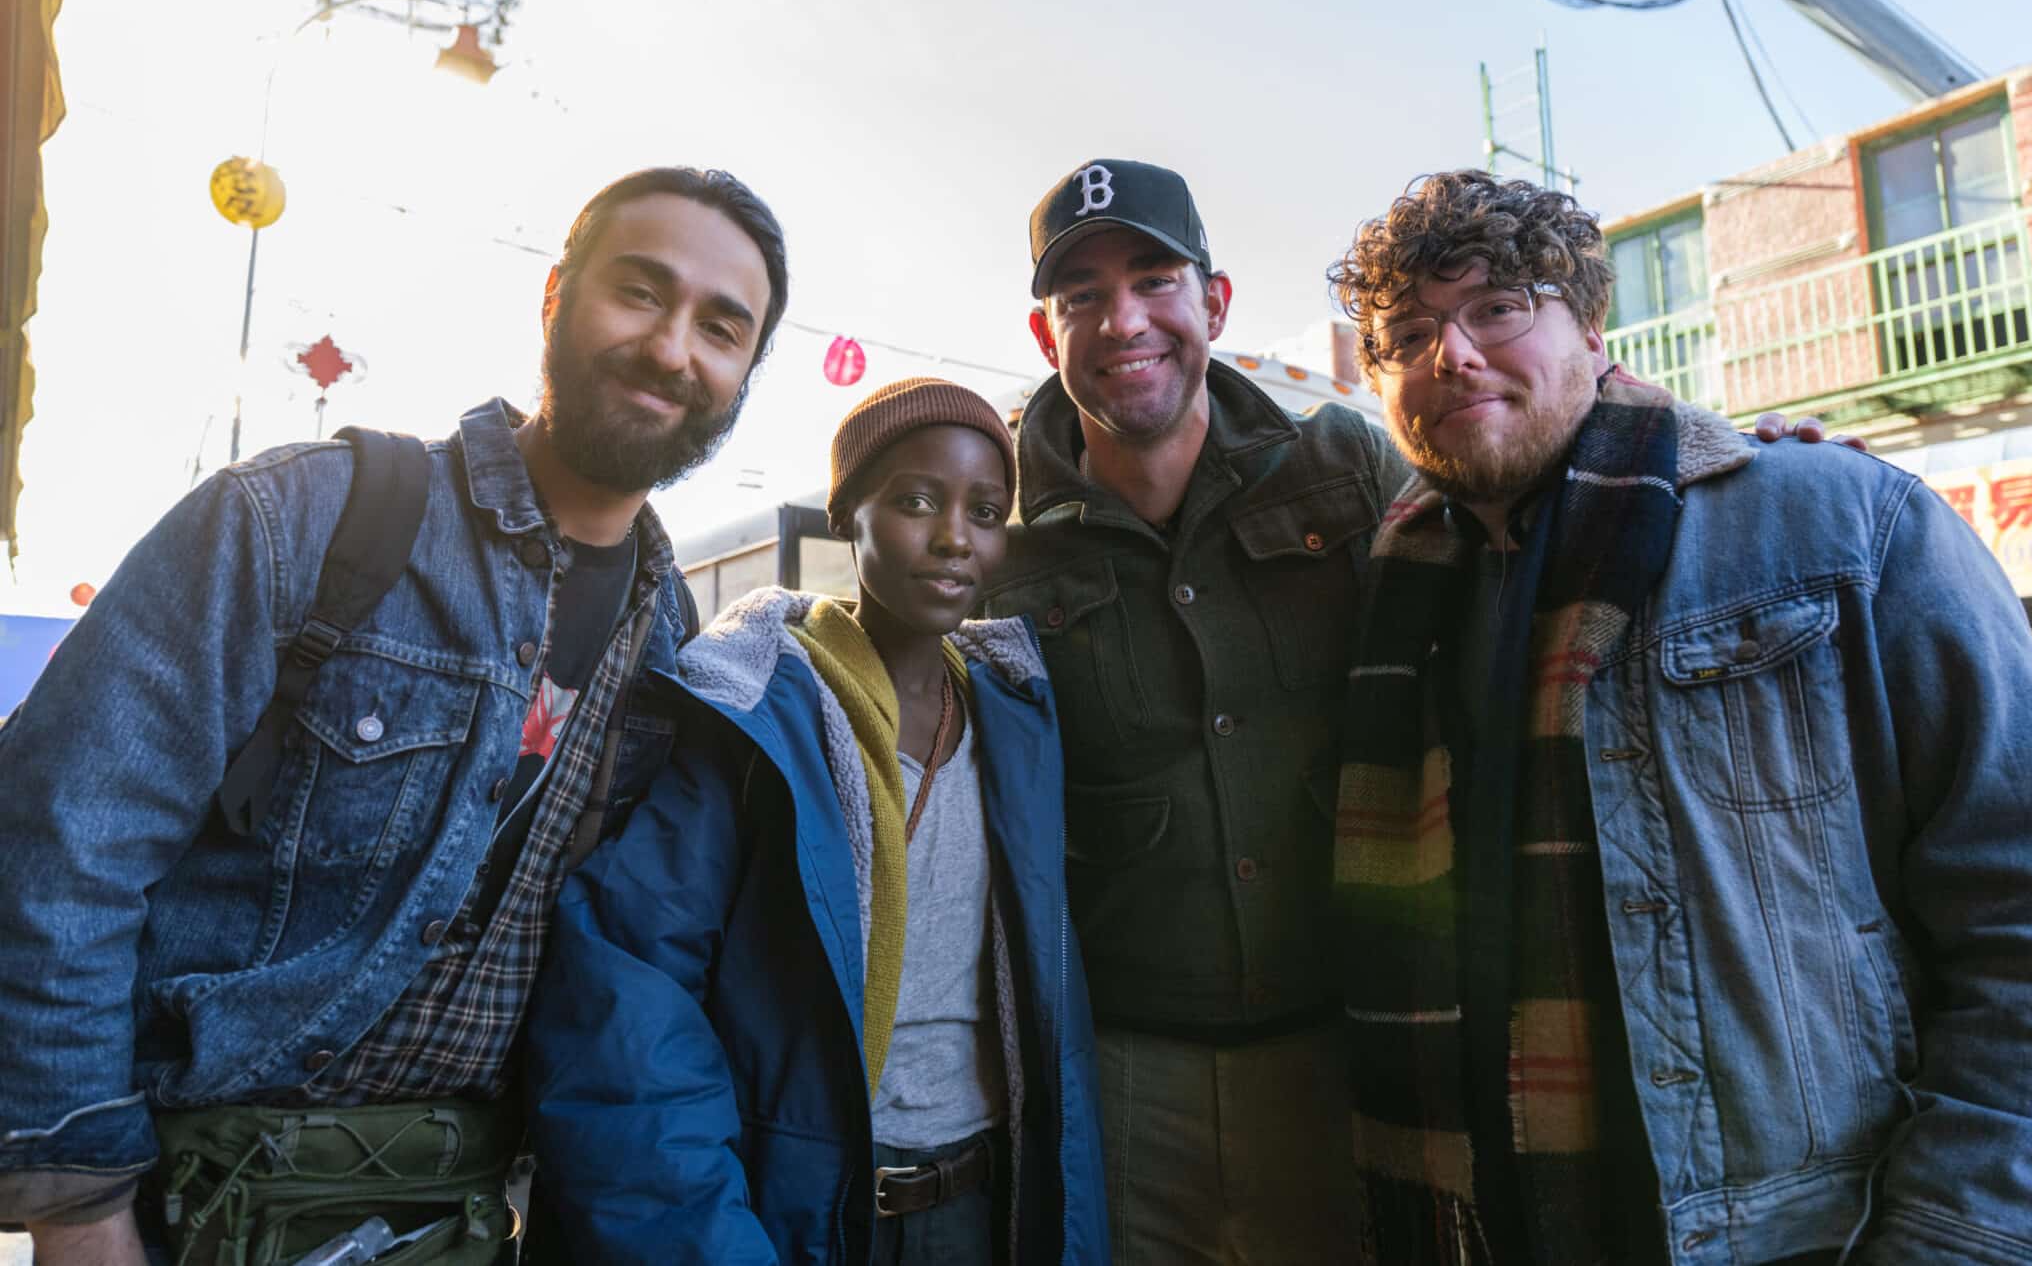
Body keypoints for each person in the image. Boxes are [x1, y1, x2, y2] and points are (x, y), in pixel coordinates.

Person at [0, 166, 789, 1265]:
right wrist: (79, 1210)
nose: (671, 348)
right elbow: (58, 849)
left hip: (460, 1214)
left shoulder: (666, 644)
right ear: (557, 296)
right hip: (189, 1200)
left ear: (745, 372)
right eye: (641, 291)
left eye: (720, 327)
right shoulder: (302, 518)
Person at [1327, 168, 2032, 1264]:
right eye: (1408, 335)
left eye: (1497, 308)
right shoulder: (1395, 592)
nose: (1451, 355)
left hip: (1809, 1227)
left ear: (1591, 326)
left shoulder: (1838, 522)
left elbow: (2022, 908)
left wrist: (1958, 1230)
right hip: (1493, 1220)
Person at [523, 377, 1108, 1265]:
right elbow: (627, 1006)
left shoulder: (1020, 722)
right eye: (916, 502)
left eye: (986, 512)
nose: (955, 536)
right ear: (847, 516)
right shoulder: (755, 722)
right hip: (811, 1214)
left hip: (986, 1210)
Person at [980, 159, 1414, 1263]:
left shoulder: (1348, 469)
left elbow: (1514, 523)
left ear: (1213, 304)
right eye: (1081, 295)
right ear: (1045, 335)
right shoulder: (995, 545)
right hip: (1125, 1082)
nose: (1122, 320)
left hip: (1348, 1058)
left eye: (1153, 280)